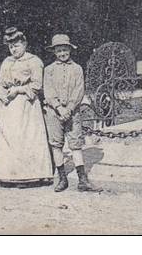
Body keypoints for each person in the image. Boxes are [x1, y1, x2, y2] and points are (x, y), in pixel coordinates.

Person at [0, 28, 53, 185]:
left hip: (27, 105)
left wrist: (18, 89)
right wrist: (1, 95)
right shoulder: (7, 62)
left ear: (24, 44)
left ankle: (31, 175)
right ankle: (10, 175)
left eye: (17, 45)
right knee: (10, 138)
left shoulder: (34, 61)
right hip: (10, 106)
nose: (14, 49)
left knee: (28, 138)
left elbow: (37, 85)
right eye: (11, 46)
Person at [43, 33, 99, 192]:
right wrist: (59, 108)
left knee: (76, 144)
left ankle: (82, 180)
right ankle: (62, 178)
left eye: (65, 50)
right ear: (54, 52)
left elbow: (79, 90)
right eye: (59, 51)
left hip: (73, 112)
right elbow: (48, 90)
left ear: (70, 50)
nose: (62, 54)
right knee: (56, 144)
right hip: (54, 112)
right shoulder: (49, 70)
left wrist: (69, 108)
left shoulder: (77, 69)